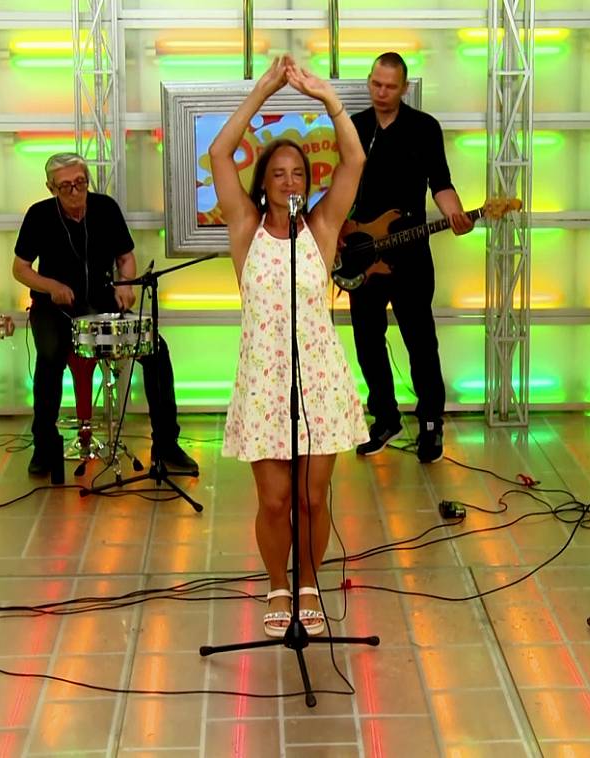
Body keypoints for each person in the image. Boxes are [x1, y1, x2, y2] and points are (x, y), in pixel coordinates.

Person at [208, 56, 368, 637]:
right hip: (264, 382)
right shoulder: (245, 227)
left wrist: (329, 99)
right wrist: (262, 91)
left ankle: (308, 583)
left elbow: (354, 160)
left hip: (318, 379)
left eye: (298, 173)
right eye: (278, 173)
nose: (289, 181)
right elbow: (219, 154)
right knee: (274, 500)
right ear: (264, 182)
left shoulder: (321, 227)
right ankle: (278, 583)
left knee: (312, 499)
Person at [13, 153, 197, 483]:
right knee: (50, 357)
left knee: (156, 350)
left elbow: (125, 257)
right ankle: (44, 445)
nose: (75, 192)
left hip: (101, 302)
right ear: (51, 188)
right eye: (65, 186)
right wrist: (51, 286)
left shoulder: (106, 208)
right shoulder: (38, 215)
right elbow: (20, 269)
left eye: (80, 183)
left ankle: (166, 443)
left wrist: (126, 284)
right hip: (54, 307)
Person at [347, 51, 474, 464]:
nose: (382, 92)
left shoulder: (424, 128)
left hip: (411, 254)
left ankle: (431, 422)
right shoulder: (355, 127)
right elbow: (339, 188)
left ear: (404, 88)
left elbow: (441, 183)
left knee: (420, 340)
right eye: (376, 84)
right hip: (364, 254)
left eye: (390, 86)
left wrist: (456, 212)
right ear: (369, 81)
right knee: (367, 340)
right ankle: (385, 418)